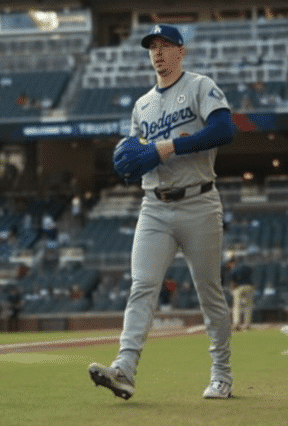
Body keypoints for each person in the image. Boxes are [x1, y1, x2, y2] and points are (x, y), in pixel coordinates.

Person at [88, 24, 237, 401]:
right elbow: (139, 158)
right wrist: (130, 165)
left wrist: (166, 147)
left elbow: (223, 130)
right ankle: (124, 368)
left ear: (181, 51)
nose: (158, 52)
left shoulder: (200, 86)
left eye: (166, 45)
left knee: (210, 293)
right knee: (142, 287)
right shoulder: (142, 105)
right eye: (152, 46)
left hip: (199, 203)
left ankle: (221, 373)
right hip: (154, 205)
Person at [226, 257, 254, 331]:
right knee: (248, 306)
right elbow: (252, 273)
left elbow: (233, 283)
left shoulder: (233, 270)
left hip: (239, 288)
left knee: (237, 306)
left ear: (233, 262)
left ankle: (236, 324)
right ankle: (247, 324)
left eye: (230, 263)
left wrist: (232, 288)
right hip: (249, 286)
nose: (230, 265)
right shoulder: (245, 267)